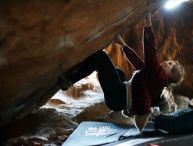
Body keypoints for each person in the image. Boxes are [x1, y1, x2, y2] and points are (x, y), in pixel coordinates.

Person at [57, 14, 185, 132]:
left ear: (169, 75)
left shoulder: (158, 75)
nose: (166, 62)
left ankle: (69, 80)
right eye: (169, 61)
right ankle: (115, 108)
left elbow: (150, 51)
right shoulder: (157, 81)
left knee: (100, 57)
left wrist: (148, 22)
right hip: (119, 101)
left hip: (116, 96)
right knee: (119, 72)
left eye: (170, 64)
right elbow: (139, 64)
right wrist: (122, 44)